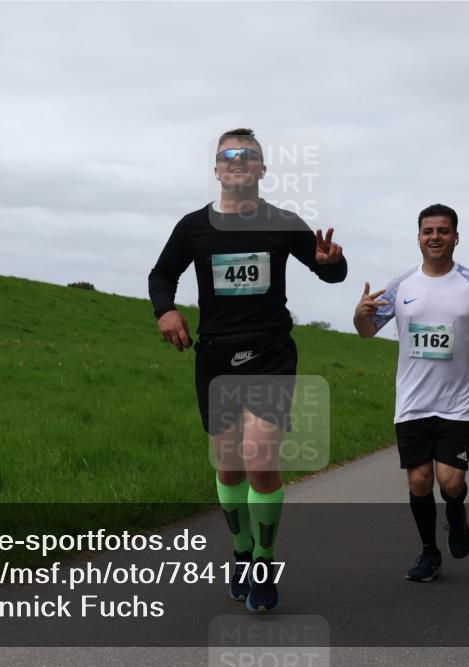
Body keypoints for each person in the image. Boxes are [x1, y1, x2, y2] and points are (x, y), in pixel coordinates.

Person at [148, 128, 348, 612]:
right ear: (216, 168)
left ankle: (262, 560)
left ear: (262, 169)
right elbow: (161, 275)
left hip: (270, 355)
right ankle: (240, 550)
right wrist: (165, 310)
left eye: (248, 155)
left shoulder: (282, 223)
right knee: (228, 464)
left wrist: (329, 264)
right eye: (228, 155)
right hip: (215, 358)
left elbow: (328, 270)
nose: (238, 161)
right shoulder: (192, 227)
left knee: (259, 458)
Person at [354, 203, 469, 582]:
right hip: (411, 403)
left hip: (454, 405)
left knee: (451, 481)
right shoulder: (402, 287)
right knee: (419, 481)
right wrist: (360, 314)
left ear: (456, 237)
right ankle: (429, 552)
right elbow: (365, 330)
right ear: (418, 237)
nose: (435, 237)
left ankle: (456, 513)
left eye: (443, 231)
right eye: (428, 231)